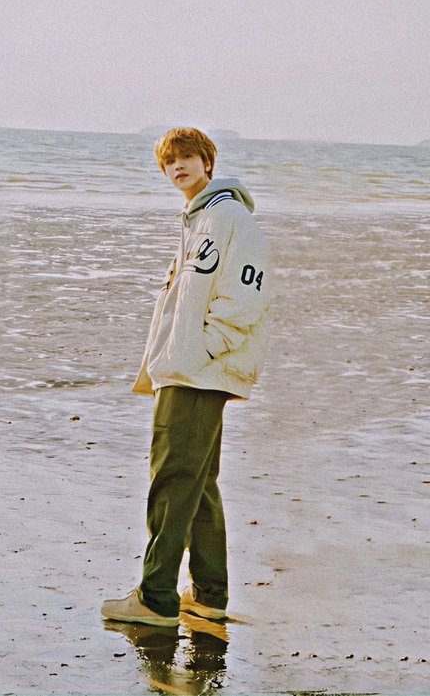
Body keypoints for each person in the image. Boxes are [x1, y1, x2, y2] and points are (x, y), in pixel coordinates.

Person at [101, 127, 271, 627]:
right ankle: (209, 594)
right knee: (198, 483)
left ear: (207, 162)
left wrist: (204, 348)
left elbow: (248, 291)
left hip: (197, 370)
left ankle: (155, 598)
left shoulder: (228, 216)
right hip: (187, 367)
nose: (178, 166)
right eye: (169, 161)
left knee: (172, 480)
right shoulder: (198, 219)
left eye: (187, 157)